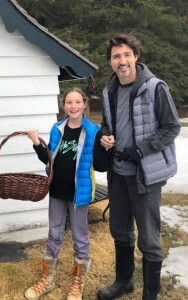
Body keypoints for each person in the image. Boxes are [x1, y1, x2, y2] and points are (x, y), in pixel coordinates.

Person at [97, 34, 180, 300]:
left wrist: (142, 149)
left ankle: (150, 294)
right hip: (117, 172)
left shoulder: (156, 87)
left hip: (146, 174)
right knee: (119, 230)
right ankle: (124, 282)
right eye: (116, 57)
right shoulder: (109, 90)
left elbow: (171, 127)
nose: (122, 61)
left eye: (126, 55)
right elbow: (108, 124)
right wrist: (105, 135)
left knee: (149, 239)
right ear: (111, 62)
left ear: (136, 56)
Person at [24, 87, 109, 300]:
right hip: (56, 190)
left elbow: (100, 165)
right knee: (54, 233)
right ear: (64, 105)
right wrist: (36, 143)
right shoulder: (57, 128)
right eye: (69, 102)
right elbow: (49, 160)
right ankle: (48, 279)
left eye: (77, 102)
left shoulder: (93, 130)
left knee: (80, 237)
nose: (73, 106)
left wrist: (106, 147)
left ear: (84, 104)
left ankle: (78, 281)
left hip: (78, 194)